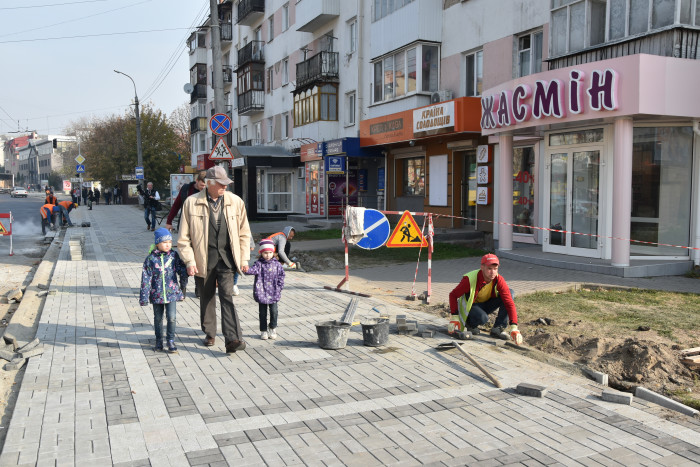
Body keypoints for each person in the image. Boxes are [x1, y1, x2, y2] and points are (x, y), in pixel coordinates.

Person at [177, 166, 252, 354]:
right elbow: (183, 238)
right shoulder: (191, 203)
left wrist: (244, 258)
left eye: (226, 184)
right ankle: (210, 332)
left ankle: (232, 338)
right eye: (221, 184)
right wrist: (189, 261)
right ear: (209, 183)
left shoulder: (236, 202)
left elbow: (244, 233)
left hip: (227, 259)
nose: (225, 187)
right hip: (203, 259)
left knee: (227, 296)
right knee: (207, 297)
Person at [448, 253, 522, 345]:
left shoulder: (499, 280)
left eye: (495, 269)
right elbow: (453, 295)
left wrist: (514, 327)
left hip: (486, 303)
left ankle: (498, 328)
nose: (493, 272)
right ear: (482, 267)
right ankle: (470, 324)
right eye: (489, 269)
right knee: (483, 318)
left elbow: (509, 303)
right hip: (471, 306)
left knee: (510, 293)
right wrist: (455, 316)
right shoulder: (469, 279)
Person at [139, 228, 188, 353]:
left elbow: (181, 269)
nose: (168, 245)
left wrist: (187, 273)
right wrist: (144, 297)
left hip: (171, 294)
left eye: (170, 242)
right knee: (158, 318)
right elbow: (145, 279)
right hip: (157, 295)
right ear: (157, 243)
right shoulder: (150, 259)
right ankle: (159, 341)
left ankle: (170, 340)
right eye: (164, 242)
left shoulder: (173, 256)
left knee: (172, 317)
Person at [244, 239, 285, 340]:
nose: (268, 255)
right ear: (261, 253)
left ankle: (272, 327)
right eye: (265, 253)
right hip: (261, 292)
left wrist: (279, 287)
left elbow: (281, 276)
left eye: (270, 252)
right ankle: (263, 330)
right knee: (262, 313)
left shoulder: (277, 264)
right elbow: (252, 271)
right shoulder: (259, 264)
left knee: (274, 312)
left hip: (274, 292)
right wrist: (245, 269)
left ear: (273, 252)